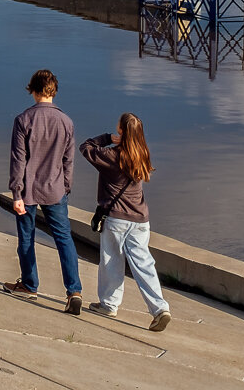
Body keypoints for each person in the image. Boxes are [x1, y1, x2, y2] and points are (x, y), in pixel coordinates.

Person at [79, 112, 171, 332]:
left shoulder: (113, 156)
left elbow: (86, 147)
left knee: (112, 262)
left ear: (121, 130)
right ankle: (159, 308)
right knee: (144, 265)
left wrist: (108, 138)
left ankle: (109, 305)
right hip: (141, 219)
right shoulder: (143, 154)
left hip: (116, 218)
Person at [3, 69, 83, 315]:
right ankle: (74, 291)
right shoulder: (67, 122)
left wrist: (16, 193)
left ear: (33, 90)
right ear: (53, 91)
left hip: (28, 190)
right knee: (64, 239)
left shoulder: (23, 120)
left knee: (26, 238)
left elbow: (19, 159)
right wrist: (65, 187)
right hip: (56, 189)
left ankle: (29, 285)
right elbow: (69, 161)